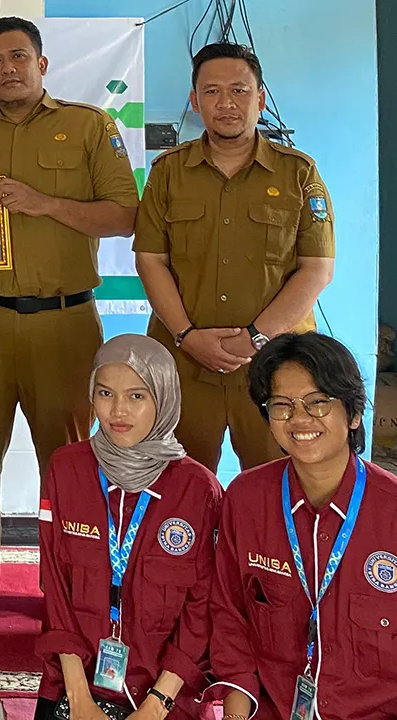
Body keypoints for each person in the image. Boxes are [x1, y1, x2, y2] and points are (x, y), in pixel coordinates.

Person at [0, 17, 140, 573]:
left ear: (42, 64)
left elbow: (126, 217)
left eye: (18, 57)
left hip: (64, 322)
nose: (8, 68)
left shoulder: (90, 127)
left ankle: (73, 589)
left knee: (70, 464)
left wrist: (44, 202)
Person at [133, 42, 335, 474]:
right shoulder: (167, 172)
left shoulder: (298, 172)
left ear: (260, 99)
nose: (226, 103)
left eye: (239, 91)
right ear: (194, 101)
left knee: (278, 487)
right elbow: (150, 260)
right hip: (185, 363)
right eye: (211, 91)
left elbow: (316, 270)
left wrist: (256, 339)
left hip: (276, 367)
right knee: (176, 488)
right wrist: (187, 335)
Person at [209, 333, 397, 720]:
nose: (299, 419)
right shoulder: (246, 499)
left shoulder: (391, 511)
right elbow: (230, 615)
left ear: (355, 413)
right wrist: (234, 713)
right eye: (282, 405)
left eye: (317, 403)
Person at [34, 335, 221, 719]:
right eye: (105, 393)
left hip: (166, 697)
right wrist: (80, 698)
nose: (118, 411)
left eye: (137, 396)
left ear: (164, 398)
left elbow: (202, 609)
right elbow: (55, 586)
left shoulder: (197, 489)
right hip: (73, 686)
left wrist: (156, 706)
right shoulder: (67, 468)